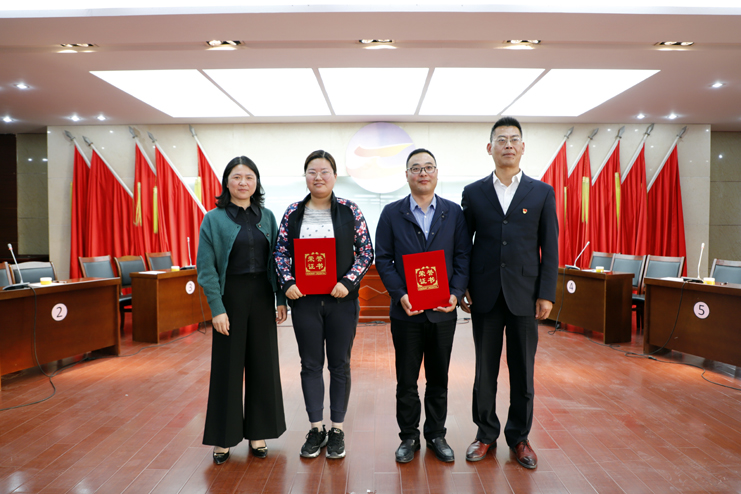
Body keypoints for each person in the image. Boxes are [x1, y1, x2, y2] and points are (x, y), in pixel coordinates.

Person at [460, 117, 558, 469]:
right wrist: (463, 285)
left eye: (514, 139)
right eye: (501, 139)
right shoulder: (473, 193)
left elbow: (550, 246)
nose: (508, 145)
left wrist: (546, 293)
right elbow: (464, 246)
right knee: (484, 371)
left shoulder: (542, 192)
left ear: (523, 147)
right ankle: (485, 434)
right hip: (484, 294)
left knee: (523, 372)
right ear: (490, 148)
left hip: (525, 295)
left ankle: (519, 438)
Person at [274, 149, 374, 459]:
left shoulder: (349, 210)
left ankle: (337, 430)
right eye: (312, 172)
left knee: (340, 365)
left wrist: (348, 282)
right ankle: (316, 428)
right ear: (305, 176)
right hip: (304, 302)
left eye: (324, 171)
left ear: (334, 176)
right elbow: (280, 253)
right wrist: (288, 283)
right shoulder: (293, 212)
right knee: (310, 365)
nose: (318, 177)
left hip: (341, 301)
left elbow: (365, 251)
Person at [375, 149, 471, 463]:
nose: (423, 173)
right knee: (406, 380)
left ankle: (436, 435)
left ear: (436, 173)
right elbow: (383, 259)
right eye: (416, 168)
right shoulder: (392, 213)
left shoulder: (453, 213)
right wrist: (399, 293)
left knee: (438, 379)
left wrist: (455, 293)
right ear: (407, 175)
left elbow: (463, 257)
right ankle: (408, 437)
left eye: (428, 167)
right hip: (407, 313)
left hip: (443, 312)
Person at [197, 156, 288, 465]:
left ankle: (259, 433)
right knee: (228, 367)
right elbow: (206, 268)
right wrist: (217, 308)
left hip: (262, 296)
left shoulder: (268, 216)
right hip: (230, 297)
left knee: (263, 365)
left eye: (249, 177)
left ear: (256, 182)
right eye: (237, 177)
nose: (243, 182)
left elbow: (278, 261)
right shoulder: (213, 219)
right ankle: (223, 438)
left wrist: (280, 299)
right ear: (227, 182)